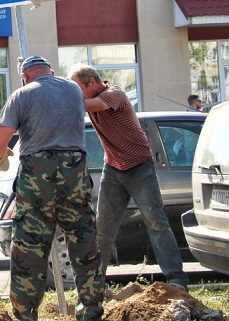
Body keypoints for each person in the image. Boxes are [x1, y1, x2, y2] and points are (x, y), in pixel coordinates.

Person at [0, 56, 104, 321]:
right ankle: (90, 311)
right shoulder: (74, 89)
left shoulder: (22, 94)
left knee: (30, 246)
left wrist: (0, 159)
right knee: (83, 239)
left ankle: (25, 315)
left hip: (37, 174)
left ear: (25, 76)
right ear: (51, 71)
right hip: (74, 169)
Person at [69, 65, 189, 291]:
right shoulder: (87, 98)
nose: (76, 94)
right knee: (102, 228)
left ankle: (177, 280)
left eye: (77, 88)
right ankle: (93, 285)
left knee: (156, 222)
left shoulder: (115, 95)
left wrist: (61, 93)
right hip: (113, 169)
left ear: (92, 82)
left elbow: (89, 105)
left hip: (139, 167)